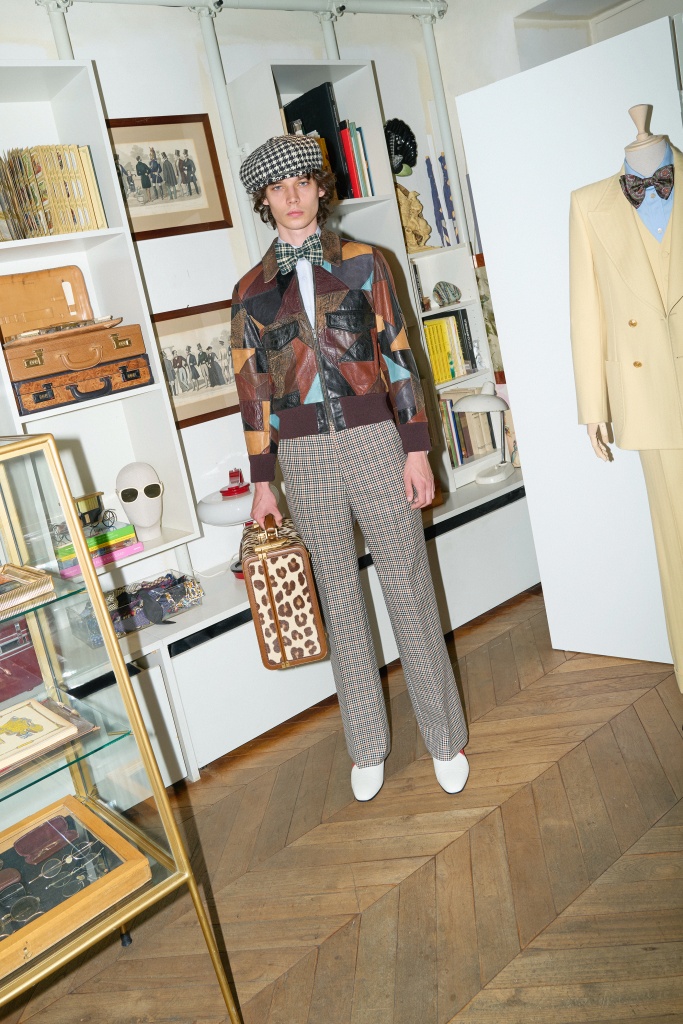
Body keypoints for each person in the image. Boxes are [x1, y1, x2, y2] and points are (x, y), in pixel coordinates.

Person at [231, 135, 469, 802]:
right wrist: (262, 484)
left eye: (302, 183)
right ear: (264, 200)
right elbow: (252, 392)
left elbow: (400, 355)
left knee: (408, 585)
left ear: (319, 189)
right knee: (337, 598)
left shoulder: (366, 262)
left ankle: (445, 737)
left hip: (375, 441)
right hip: (303, 456)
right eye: (278, 188)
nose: (292, 197)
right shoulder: (249, 292)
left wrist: (416, 448)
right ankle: (366, 748)